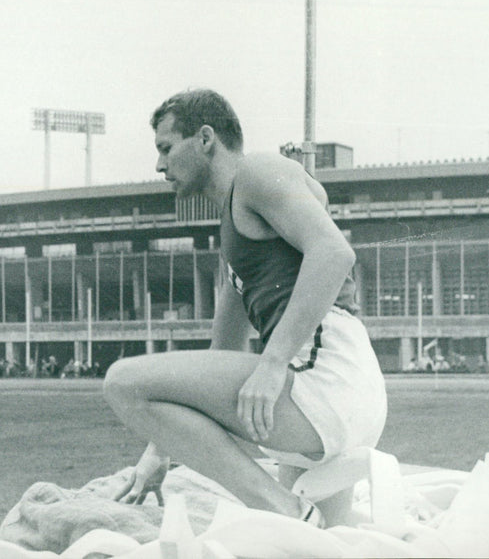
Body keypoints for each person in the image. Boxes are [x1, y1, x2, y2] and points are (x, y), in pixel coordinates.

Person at [104, 89, 387, 527]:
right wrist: (158, 452)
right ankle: (295, 510)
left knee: (123, 382)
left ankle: (281, 505)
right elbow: (218, 358)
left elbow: (334, 253)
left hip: (326, 378)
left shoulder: (256, 172)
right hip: (336, 397)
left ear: (204, 138)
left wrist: (272, 364)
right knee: (318, 546)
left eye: (165, 148)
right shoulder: (236, 228)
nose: (160, 166)